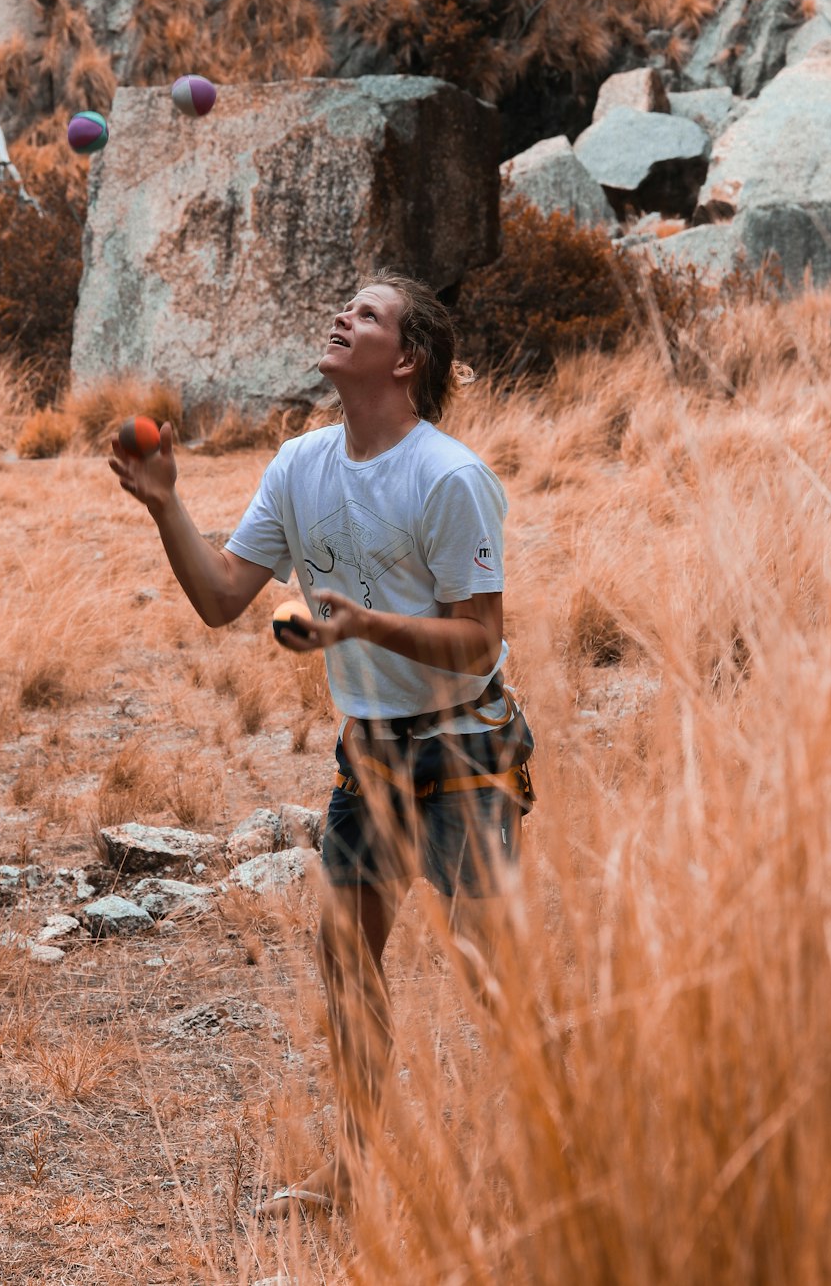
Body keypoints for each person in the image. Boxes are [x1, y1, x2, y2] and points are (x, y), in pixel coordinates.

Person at [108, 268, 534, 1216]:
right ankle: (347, 1179)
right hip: (369, 762)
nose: (344, 316)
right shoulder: (300, 464)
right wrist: (164, 501)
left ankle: (546, 1166)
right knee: (347, 965)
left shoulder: (450, 476)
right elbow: (223, 596)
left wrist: (362, 625)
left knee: (493, 980)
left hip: (464, 756)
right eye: (347, 304)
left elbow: (478, 642)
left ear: (407, 356)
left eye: (369, 314)